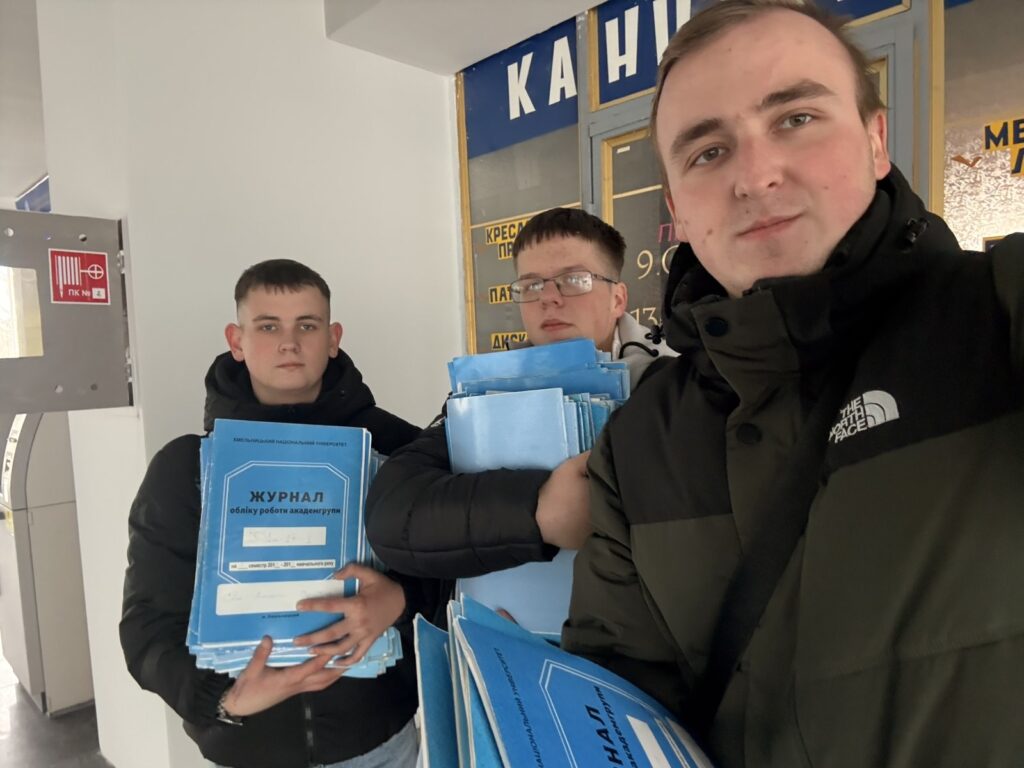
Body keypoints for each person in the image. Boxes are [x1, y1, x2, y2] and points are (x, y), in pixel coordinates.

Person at [562, 2, 1024, 767]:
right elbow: (619, 709)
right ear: (677, 208)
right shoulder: (640, 444)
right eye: (707, 152)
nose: (755, 175)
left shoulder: (999, 314)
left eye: (797, 118)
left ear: (876, 141)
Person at [120, 259, 436, 768]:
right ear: (236, 340)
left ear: (332, 338)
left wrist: (400, 599)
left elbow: (455, 576)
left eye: (306, 325)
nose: (289, 343)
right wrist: (222, 700)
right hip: (246, 748)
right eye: (268, 326)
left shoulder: (399, 448)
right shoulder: (184, 469)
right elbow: (146, 625)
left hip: (378, 742)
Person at [365, 207, 674, 580]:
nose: (549, 298)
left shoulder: (672, 384)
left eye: (573, 280)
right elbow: (392, 514)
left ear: (618, 299)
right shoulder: (487, 393)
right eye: (531, 285)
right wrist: (537, 511)